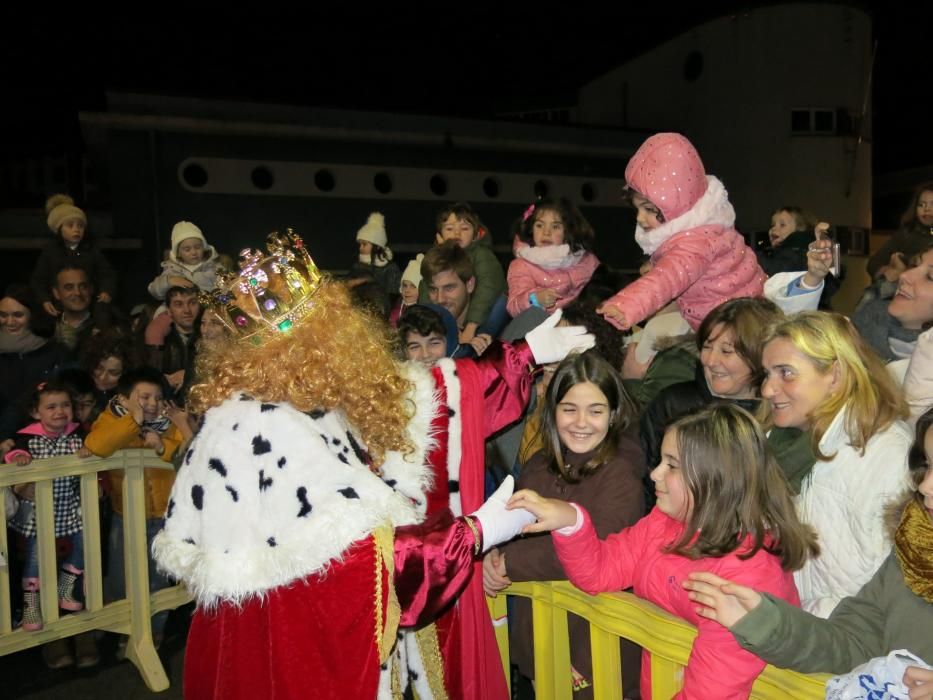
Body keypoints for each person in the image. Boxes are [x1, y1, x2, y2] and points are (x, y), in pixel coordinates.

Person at [150, 230, 591, 699]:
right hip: (301, 667)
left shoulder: (289, 402)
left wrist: (522, 357)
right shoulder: (265, 431)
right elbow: (368, 572)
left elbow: (415, 397)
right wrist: (479, 531)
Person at [507, 404, 819, 699]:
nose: (654, 474)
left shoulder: (746, 575)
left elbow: (711, 692)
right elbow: (599, 572)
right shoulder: (664, 523)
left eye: (671, 465)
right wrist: (571, 522)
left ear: (715, 478)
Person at [684, 406, 933, 696]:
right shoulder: (915, 550)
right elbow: (852, 644)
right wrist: (766, 621)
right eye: (927, 465)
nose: (925, 486)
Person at [484, 352, 646, 698]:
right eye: (569, 409)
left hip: (596, 655)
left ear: (614, 414)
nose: (581, 422)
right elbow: (513, 527)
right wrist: (493, 555)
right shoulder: (538, 467)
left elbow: (595, 551)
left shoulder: (621, 474)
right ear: (552, 410)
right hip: (540, 646)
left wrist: (510, 562)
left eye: (596, 410)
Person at [760, 311, 912, 616]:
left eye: (786, 373)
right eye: (767, 374)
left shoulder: (886, 455)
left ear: (836, 376)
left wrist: (790, 624)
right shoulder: (776, 439)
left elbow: (880, 595)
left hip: (842, 648)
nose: (767, 389)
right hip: (789, 630)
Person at [597, 133, 765, 333]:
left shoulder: (695, 243)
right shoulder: (708, 225)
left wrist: (625, 306)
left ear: (676, 203)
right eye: (637, 209)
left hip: (728, 327)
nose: (640, 218)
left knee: (651, 338)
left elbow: (667, 277)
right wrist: (655, 263)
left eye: (649, 209)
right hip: (740, 313)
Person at [85, 367, 184, 655]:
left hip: (162, 515)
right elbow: (97, 444)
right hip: (125, 513)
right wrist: (134, 421)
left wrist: (158, 442)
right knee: (121, 575)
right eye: (143, 397)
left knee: (157, 579)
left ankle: (153, 633)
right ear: (125, 398)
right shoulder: (110, 418)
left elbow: (180, 451)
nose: (152, 404)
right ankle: (124, 629)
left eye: (157, 397)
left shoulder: (169, 422)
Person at [640, 297, 782, 469]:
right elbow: (645, 473)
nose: (710, 360)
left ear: (759, 356)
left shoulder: (779, 415)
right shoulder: (674, 403)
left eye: (726, 351)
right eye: (707, 347)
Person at [5, 381, 91, 630]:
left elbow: (94, 446)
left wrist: (89, 449)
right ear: (36, 413)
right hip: (39, 512)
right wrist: (18, 459)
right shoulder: (27, 437)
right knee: (35, 559)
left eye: (65, 405)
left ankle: (65, 588)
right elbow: (13, 453)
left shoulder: (78, 433)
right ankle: (32, 607)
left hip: (68, 506)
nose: (59, 411)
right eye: (51, 406)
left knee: (86, 541)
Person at [506, 198, 600, 317]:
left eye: (555, 227)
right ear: (530, 229)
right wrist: (535, 299)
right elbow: (513, 307)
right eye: (539, 225)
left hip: (579, 324)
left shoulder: (587, 260)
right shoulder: (521, 265)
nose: (546, 232)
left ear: (568, 231)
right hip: (539, 327)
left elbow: (604, 293)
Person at [429, 202, 507, 344]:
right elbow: (426, 289)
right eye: (449, 229)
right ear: (439, 236)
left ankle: (477, 346)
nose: (457, 233)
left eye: (464, 228)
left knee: (502, 301)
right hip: (453, 322)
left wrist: (470, 328)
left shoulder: (482, 255)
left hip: (482, 320)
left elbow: (487, 290)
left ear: (476, 235)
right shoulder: (437, 259)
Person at [0, 284, 70, 441]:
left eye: (18, 315)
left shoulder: (56, 352)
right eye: (3, 315)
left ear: (32, 315)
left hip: (49, 439)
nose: (9, 321)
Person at [31, 195, 116, 319]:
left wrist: (106, 291)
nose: (76, 230)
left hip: (90, 306)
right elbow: (38, 280)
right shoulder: (50, 252)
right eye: (70, 226)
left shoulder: (91, 250)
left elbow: (107, 274)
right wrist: (44, 300)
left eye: (80, 226)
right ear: (59, 229)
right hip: (58, 307)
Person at [423, 241, 511, 358]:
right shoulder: (421, 330)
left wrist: (487, 360)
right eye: (433, 290)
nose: (440, 299)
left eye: (449, 288)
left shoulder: (499, 327)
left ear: (470, 285)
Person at [145, 221, 221, 346]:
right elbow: (154, 290)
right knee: (155, 329)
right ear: (178, 252)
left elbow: (227, 287)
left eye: (197, 247)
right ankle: (157, 359)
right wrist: (169, 280)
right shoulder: (171, 269)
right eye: (187, 249)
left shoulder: (213, 268)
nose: (193, 252)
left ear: (204, 247)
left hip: (206, 311)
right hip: (175, 312)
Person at [868, 182, 933, 284]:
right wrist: (889, 271)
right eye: (921, 204)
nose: (927, 209)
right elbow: (873, 264)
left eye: (932, 204)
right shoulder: (905, 234)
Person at [348, 212, 402, 301]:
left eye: (364, 244)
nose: (360, 248)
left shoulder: (390, 268)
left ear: (376, 246)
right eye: (360, 244)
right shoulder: (357, 266)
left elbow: (393, 295)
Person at [389, 254, 423, 328]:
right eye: (404, 285)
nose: (407, 290)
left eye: (413, 286)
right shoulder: (395, 309)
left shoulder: (424, 312)